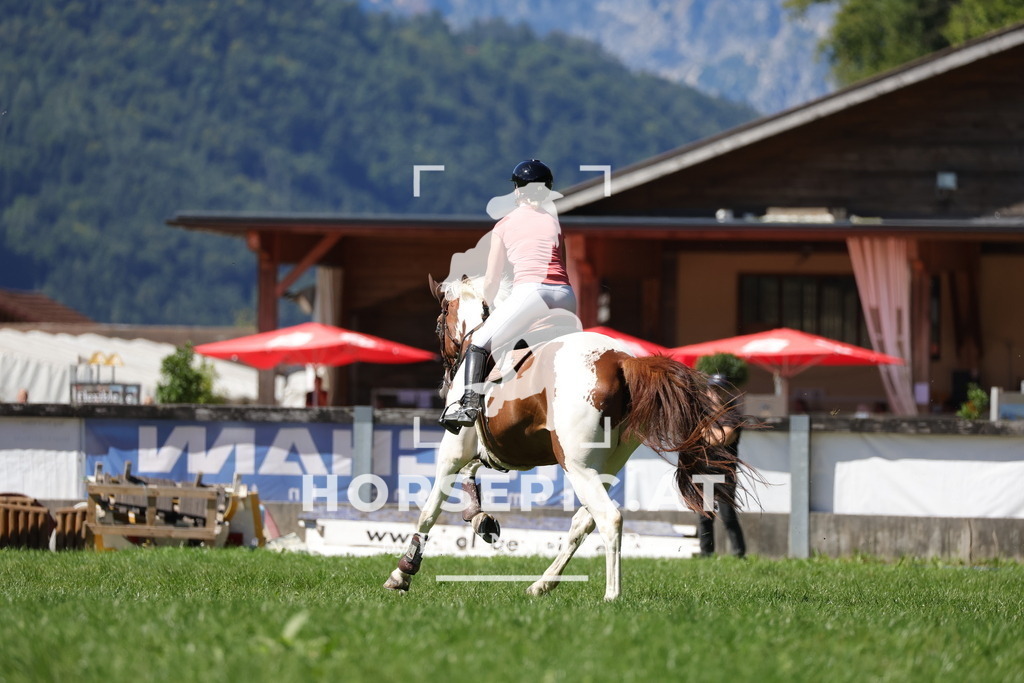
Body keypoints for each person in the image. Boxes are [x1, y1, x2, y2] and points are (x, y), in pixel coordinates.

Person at [439, 159, 577, 434]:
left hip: (532, 292)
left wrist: (487, 306)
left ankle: (467, 405)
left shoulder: (502, 226)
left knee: (479, 342)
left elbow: (491, 280)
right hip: (566, 295)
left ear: (517, 190)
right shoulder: (553, 221)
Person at [696, 373, 746, 558]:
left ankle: (739, 554)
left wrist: (705, 431)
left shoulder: (733, 414)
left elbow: (723, 439)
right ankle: (706, 554)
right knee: (704, 516)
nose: (716, 393)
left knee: (727, 516)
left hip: (725, 473)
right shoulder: (702, 414)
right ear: (708, 392)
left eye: (720, 390)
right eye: (713, 389)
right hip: (704, 470)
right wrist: (712, 434)